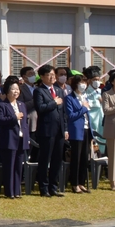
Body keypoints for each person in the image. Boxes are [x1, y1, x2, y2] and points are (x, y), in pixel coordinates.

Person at [33, 64, 67, 197]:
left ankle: (54, 186)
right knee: (45, 158)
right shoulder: (39, 91)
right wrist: (54, 103)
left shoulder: (58, 90)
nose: (53, 77)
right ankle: (44, 187)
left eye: (54, 75)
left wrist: (65, 128)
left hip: (59, 130)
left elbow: (63, 112)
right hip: (47, 129)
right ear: (42, 77)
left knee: (57, 159)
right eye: (49, 75)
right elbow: (40, 108)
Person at [0, 78, 28, 199]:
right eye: (13, 89)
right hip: (9, 139)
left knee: (19, 166)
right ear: (7, 91)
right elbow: (0, 120)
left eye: (17, 89)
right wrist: (14, 117)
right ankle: (9, 191)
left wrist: (27, 138)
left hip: (21, 138)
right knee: (9, 166)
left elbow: (25, 123)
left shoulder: (21, 105)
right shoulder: (2, 105)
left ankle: (17, 190)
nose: (16, 92)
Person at [65, 75, 93, 194]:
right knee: (76, 158)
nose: (84, 85)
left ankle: (82, 182)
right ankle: (75, 183)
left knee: (84, 158)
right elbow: (70, 116)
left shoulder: (84, 96)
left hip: (86, 129)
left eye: (85, 83)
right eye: (81, 83)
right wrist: (83, 109)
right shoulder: (69, 98)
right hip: (76, 130)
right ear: (75, 84)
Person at [82, 66, 105, 136]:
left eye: (98, 79)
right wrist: (97, 102)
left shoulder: (100, 91)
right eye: (95, 79)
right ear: (89, 80)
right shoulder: (85, 92)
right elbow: (86, 105)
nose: (97, 82)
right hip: (92, 120)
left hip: (101, 119)